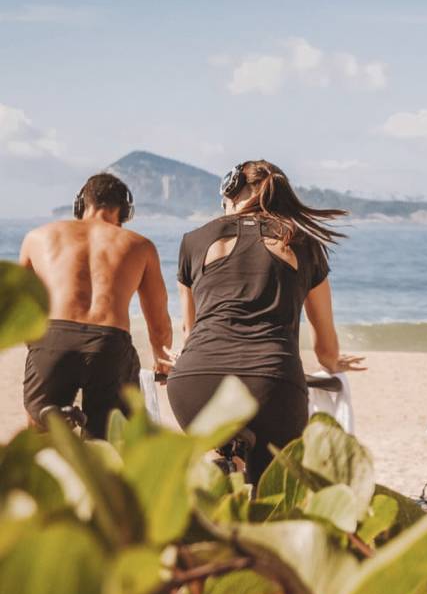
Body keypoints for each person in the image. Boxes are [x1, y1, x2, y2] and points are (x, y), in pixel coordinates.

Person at [165, 160, 364, 484]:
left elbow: (190, 331)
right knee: (268, 489)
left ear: (230, 193)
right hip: (272, 383)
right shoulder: (304, 244)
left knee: (217, 466)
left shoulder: (194, 241)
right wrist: (335, 362)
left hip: (196, 380)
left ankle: (221, 470)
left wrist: (186, 357)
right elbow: (326, 349)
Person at [19, 173, 173, 438]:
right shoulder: (140, 245)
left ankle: (45, 425)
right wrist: (162, 360)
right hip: (109, 345)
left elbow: (19, 305)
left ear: (81, 204)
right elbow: (158, 321)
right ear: (124, 212)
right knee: (108, 440)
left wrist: (39, 349)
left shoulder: (38, 237)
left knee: (37, 431)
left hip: (53, 338)